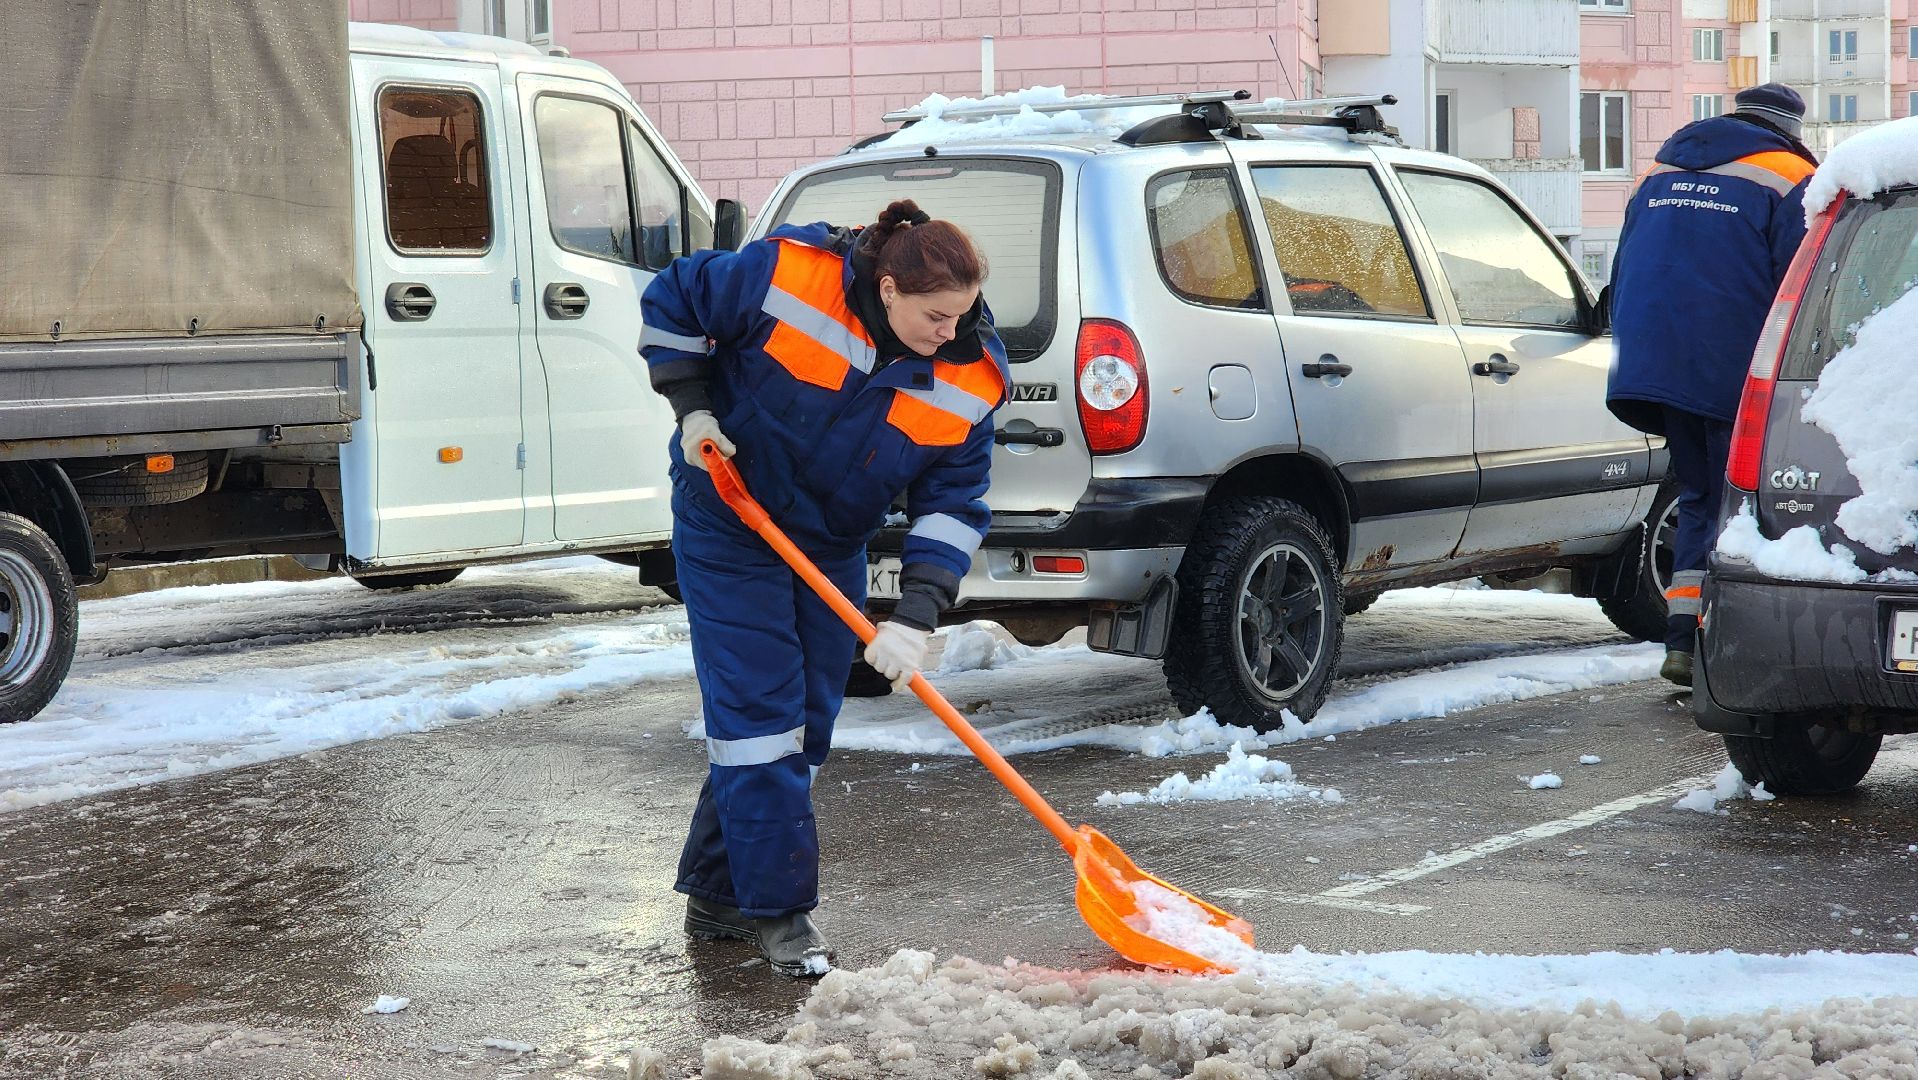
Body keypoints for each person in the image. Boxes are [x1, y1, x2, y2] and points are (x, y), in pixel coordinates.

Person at [638, 199, 1004, 975]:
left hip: (830, 541)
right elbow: (675, 295)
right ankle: (781, 914)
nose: (950, 332)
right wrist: (693, 409)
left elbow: (954, 504)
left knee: (803, 724)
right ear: (889, 289)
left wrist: (915, 615)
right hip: (729, 519)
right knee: (758, 717)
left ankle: (719, 895)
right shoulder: (791, 276)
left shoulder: (971, 379)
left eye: (962, 315)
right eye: (935, 316)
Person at [1605, 83, 1818, 689]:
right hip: (1734, 368)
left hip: (1656, 362)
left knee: (1700, 497)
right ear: (1790, 130)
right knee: (1746, 503)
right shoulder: (1789, 175)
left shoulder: (1660, 171)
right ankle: (1732, 645)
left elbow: (1625, 265)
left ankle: (1683, 638)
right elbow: (1801, 282)